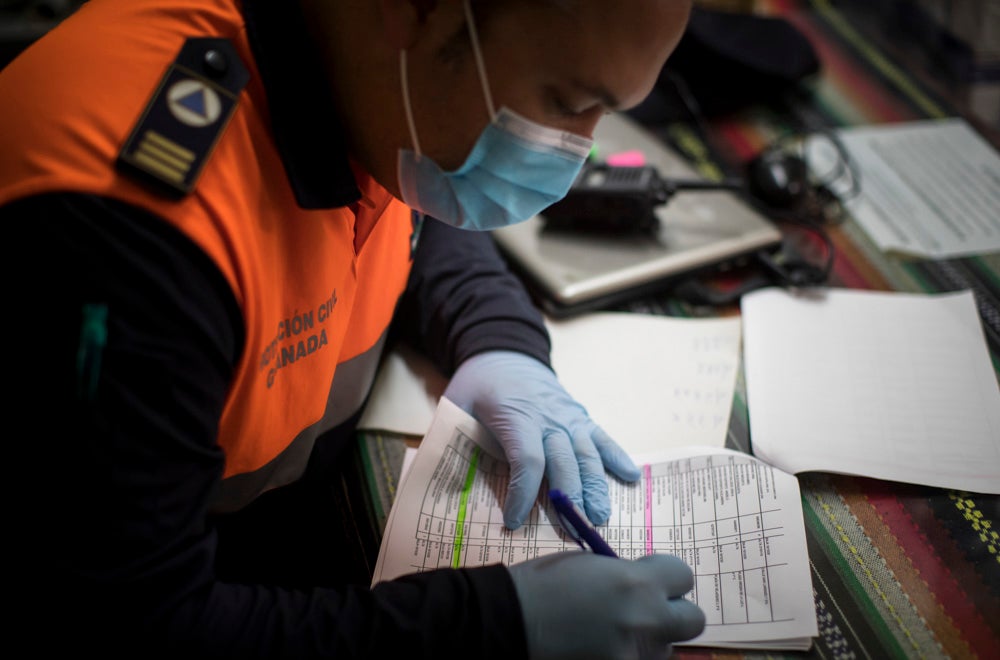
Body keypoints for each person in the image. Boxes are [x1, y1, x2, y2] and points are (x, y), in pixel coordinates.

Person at [1, 0, 705, 657]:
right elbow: (136, 621)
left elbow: (425, 225)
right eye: (569, 102)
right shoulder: (135, 237)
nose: (578, 151)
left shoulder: (369, 88)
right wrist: (497, 624)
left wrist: (498, 341)